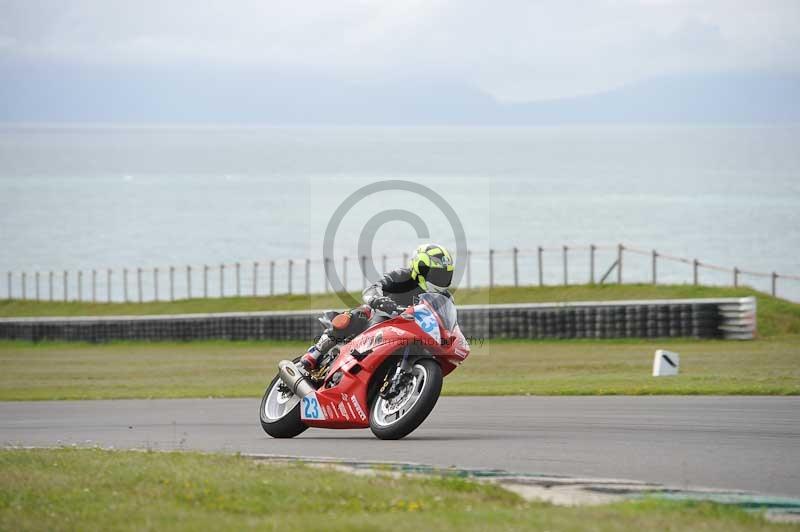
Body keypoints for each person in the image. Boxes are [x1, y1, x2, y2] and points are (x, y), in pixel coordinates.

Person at [300, 243, 455, 371]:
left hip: (413, 331)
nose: (441, 280)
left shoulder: (445, 297)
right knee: (360, 313)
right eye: (436, 274)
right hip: (384, 319)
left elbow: (448, 321)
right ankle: (315, 352)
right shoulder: (401, 276)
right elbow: (372, 289)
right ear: (420, 268)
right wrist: (378, 300)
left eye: (444, 275)